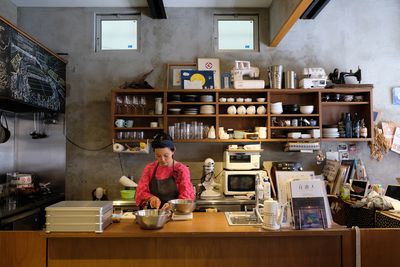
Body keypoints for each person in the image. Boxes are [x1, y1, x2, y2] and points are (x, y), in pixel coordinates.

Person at [135, 133, 195, 209]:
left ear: (173, 151)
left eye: (166, 155)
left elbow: (186, 195)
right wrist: (151, 198)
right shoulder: (150, 168)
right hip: (155, 213)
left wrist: (173, 205)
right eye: (158, 156)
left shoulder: (181, 169)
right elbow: (141, 191)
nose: (162, 160)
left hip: (175, 212)